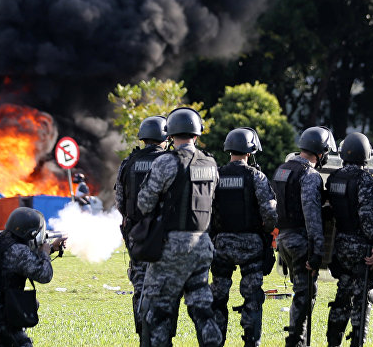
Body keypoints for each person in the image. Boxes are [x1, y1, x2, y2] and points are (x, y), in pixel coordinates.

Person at [136, 107, 222, 347]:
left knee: (160, 310)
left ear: (170, 134)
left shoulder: (166, 162)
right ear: (197, 134)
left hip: (172, 246)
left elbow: (144, 203)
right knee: (201, 305)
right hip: (202, 244)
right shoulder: (211, 164)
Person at [209, 127, 278, 347]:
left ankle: (216, 341)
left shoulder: (216, 175)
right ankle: (251, 342)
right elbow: (270, 214)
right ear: (250, 151)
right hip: (251, 246)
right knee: (252, 297)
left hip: (221, 245)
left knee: (218, 298)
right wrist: (265, 233)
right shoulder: (256, 176)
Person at [0, 207, 63, 347]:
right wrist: (44, 252)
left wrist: (51, 248)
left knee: (8, 342)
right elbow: (45, 275)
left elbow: (19, 262)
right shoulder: (17, 249)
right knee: (22, 344)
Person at [273, 126, 337, 347]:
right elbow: (312, 216)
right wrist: (317, 251)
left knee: (300, 289)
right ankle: (296, 341)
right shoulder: (309, 175)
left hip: (283, 239)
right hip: (300, 241)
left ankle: (296, 339)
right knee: (306, 293)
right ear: (320, 152)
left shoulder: (282, 169)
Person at [114, 115, 169, 337]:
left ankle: (143, 335)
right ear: (164, 137)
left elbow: (120, 201)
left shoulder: (128, 163)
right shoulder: (171, 161)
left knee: (140, 287)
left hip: (136, 234)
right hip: (164, 235)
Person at [325, 132, 373, 347]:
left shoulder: (334, 178)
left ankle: (333, 341)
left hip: (341, 245)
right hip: (361, 247)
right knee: (362, 299)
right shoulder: (364, 180)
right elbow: (367, 217)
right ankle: (357, 341)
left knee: (342, 294)